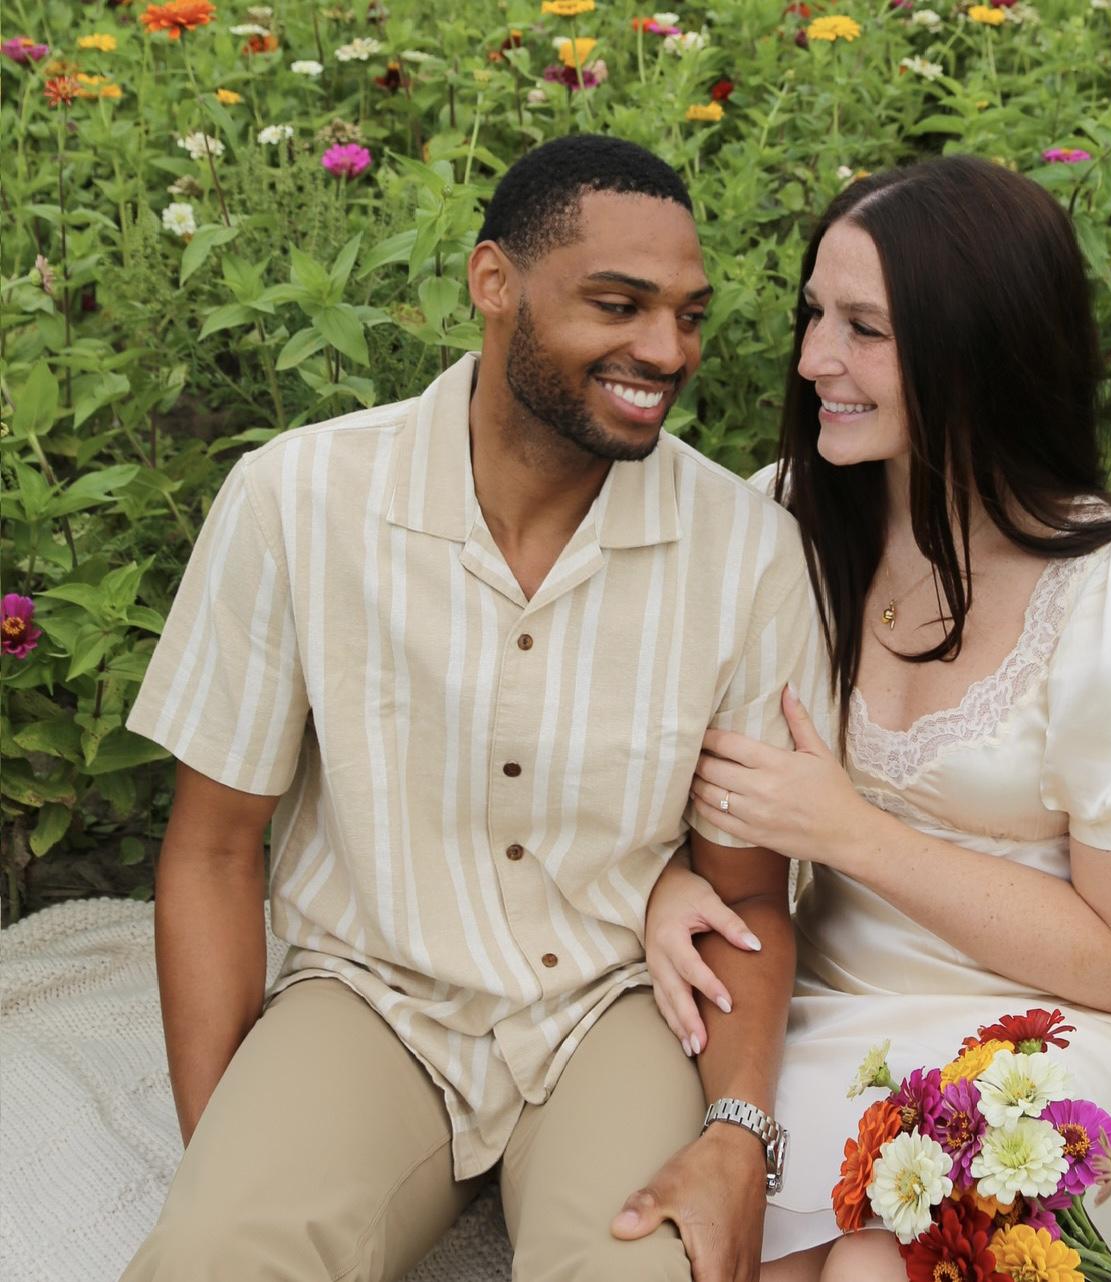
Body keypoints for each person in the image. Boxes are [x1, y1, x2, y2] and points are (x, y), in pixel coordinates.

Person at [120, 134, 828, 1282]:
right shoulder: (297, 501)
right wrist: (222, 1162)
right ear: (492, 283)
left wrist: (736, 1134)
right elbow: (211, 850)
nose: (665, 349)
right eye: (619, 304)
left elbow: (746, 894)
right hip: (366, 993)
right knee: (209, 1264)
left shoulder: (745, 555)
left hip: (619, 1004)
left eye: (689, 315)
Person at [643, 156, 1111, 1282]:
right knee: (732, 1251)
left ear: (980, 346)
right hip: (820, 1009)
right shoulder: (781, 522)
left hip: (1052, 1038)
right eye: (815, 314)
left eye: (865, 328)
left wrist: (856, 835)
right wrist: (661, 879)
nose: (816, 357)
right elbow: (642, 769)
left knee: (883, 1258)